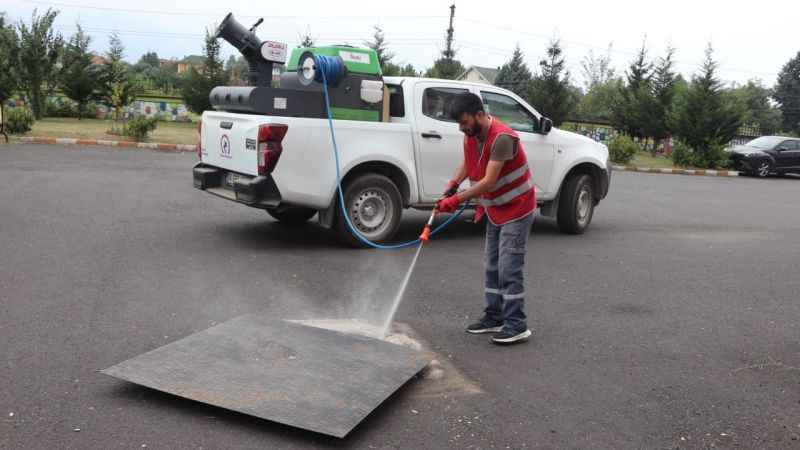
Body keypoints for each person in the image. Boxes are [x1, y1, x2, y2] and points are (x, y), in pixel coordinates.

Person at [437, 92, 536, 344]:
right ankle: (494, 316)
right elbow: (469, 163)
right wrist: (453, 183)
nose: (462, 128)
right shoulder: (472, 136)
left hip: (517, 208)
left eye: (464, 122)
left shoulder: (502, 138)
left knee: (509, 268)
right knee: (492, 266)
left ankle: (517, 324)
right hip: (495, 209)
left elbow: (489, 181)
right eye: (459, 124)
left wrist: (456, 200)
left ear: (479, 115)